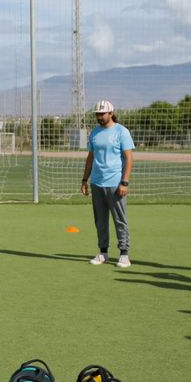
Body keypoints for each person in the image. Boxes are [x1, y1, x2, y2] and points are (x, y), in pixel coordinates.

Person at [81, 99, 135, 267]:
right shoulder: (95, 133)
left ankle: (124, 254)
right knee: (100, 220)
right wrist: (84, 180)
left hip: (115, 183)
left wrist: (124, 182)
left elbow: (129, 158)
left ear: (111, 113)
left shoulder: (121, 131)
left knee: (120, 219)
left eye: (102, 114)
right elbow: (90, 158)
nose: (99, 117)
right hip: (97, 183)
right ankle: (103, 252)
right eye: (97, 114)